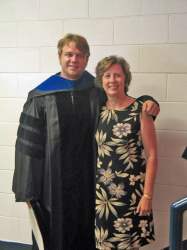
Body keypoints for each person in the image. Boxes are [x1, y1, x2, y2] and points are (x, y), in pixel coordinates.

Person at [12, 34, 159, 250]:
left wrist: (148, 100)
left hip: (93, 182)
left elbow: (124, 104)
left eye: (79, 55)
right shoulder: (40, 97)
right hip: (53, 184)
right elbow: (28, 147)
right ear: (59, 56)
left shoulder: (96, 90)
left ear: (87, 58)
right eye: (68, 54)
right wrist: (28, 190)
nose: (74, 59)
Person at [95, 55, 158, 250]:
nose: (112, 80)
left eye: (117, 75)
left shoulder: (140, 110)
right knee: (103, 244)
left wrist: (147, 196)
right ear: (101, 80)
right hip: (102, 195)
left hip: (131, 194)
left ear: (125, 79)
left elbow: (153, 156)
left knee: (128, 246)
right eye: (107, 75)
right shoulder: (98, 111)